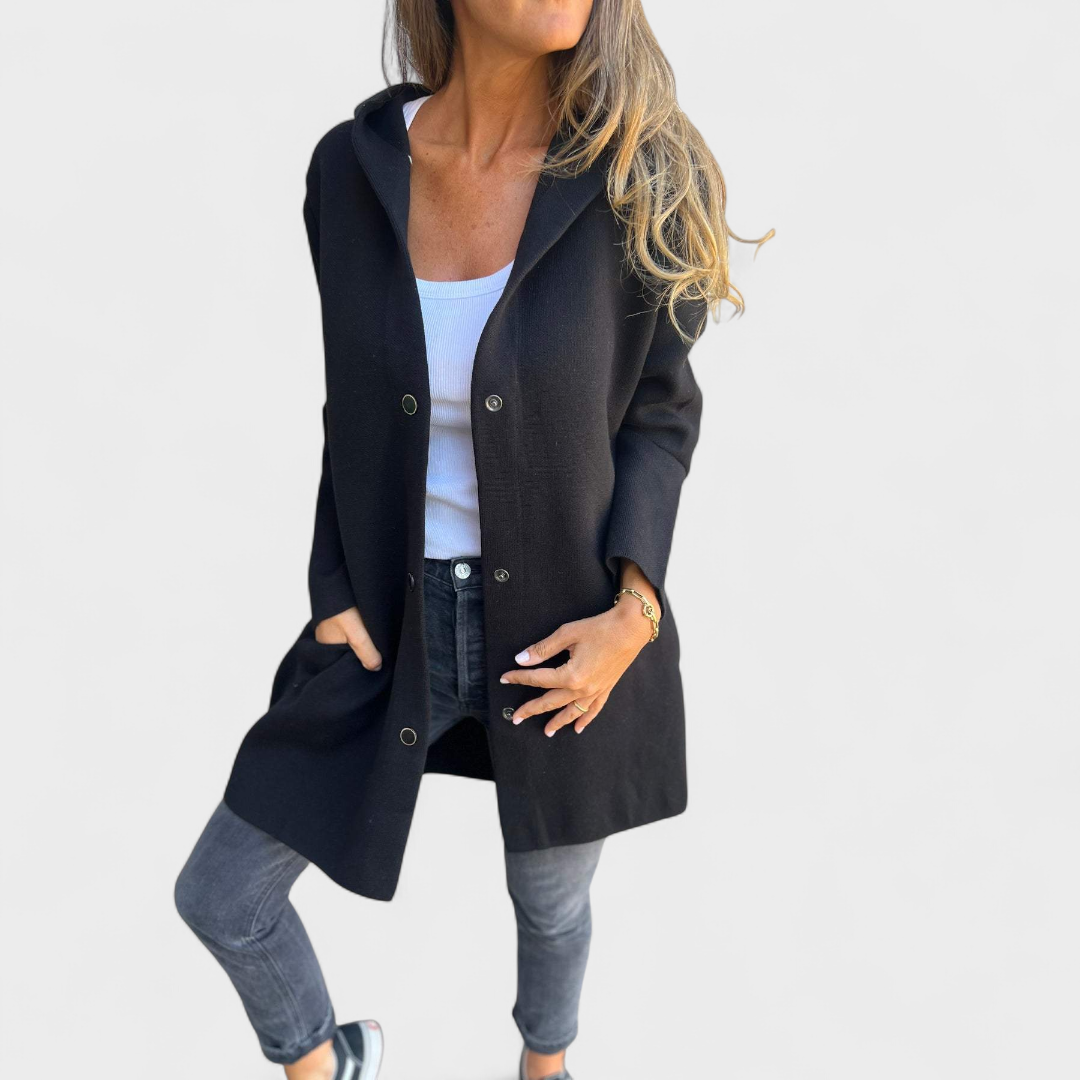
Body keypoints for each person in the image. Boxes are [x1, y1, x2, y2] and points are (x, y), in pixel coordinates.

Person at [174, 2, 771, 1078]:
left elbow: (661, 416)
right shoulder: (349, 171)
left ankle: (546, 1066)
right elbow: (353, 408)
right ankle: (327, 1063)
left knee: (551, 905)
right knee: (221, 893)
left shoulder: (639, 172)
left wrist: (632, 616)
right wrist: (331, 585)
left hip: (560, 633)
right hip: (388, 624)